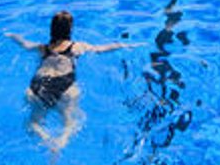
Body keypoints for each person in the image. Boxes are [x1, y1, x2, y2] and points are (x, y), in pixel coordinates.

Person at [8, 11, 129, 158]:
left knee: (32, 123)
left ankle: (46, 140)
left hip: (38, 85)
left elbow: (25, 44)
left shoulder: (42, 48)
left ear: (52, 28)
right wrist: (122, 44)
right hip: (64, 85)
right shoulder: (76, 47)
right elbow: (100, 49)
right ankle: (59, 144)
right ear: (70, 29)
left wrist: (13, 36)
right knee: (69, 125)